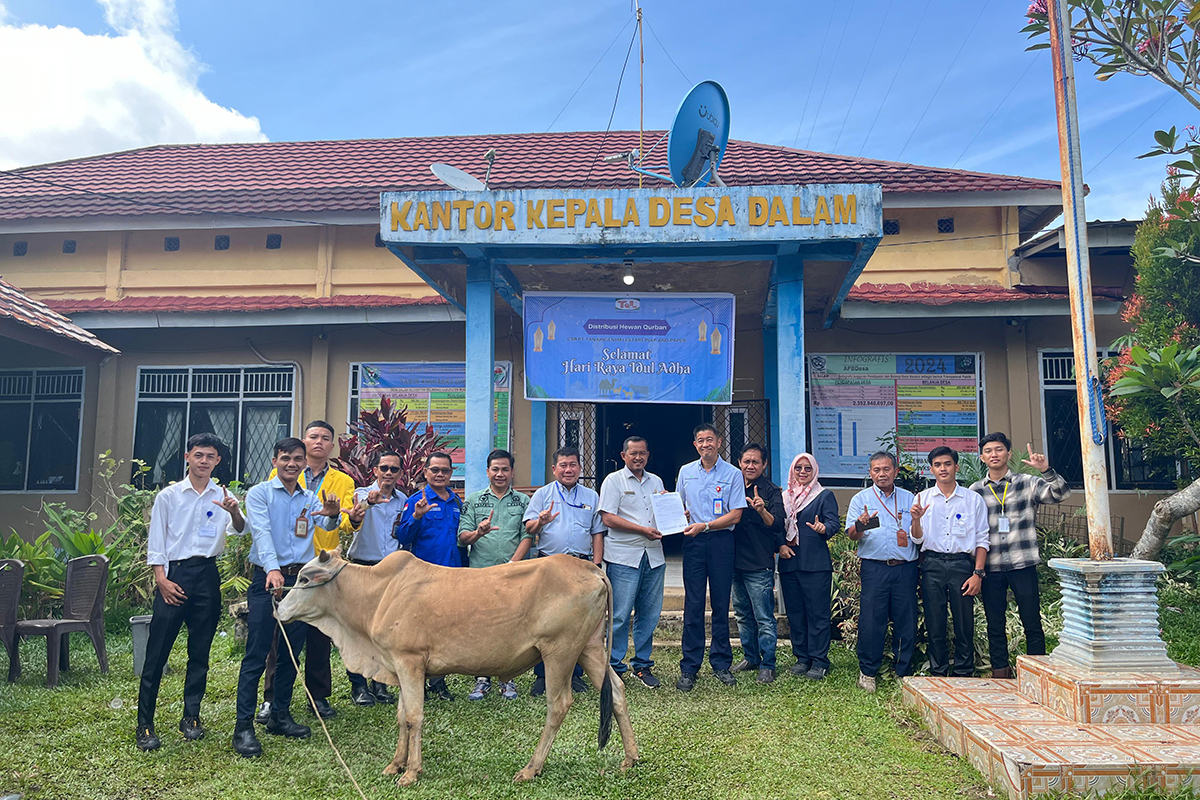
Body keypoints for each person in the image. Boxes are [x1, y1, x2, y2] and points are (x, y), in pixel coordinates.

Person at [233, 437, 343, 757]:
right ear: (274, 460)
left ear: (305, 463)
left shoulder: (310, 497)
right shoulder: (259, 494)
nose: (292, 464)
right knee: (257, 654)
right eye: (286, 458)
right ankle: (243, 728)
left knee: (291, 653)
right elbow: (262, 532)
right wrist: (272, 568)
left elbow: (326, 521)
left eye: (298, 459)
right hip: (268, 578)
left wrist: (334, 515)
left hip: (300, 581)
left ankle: (280, 715)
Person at [135, 433, 245, 751]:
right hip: (174, 575)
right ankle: (145, 725)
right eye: (198, 455)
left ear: (217, 461)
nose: (204, 461)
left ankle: (191, 717)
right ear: (187, 457)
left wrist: (234, 510)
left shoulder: (223, 496)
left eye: (210, 456)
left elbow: (238, 529)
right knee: (156, 654)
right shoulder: (169, 496)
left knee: (200, 653)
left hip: (207, 575)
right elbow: (157, 541)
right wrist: (162, 580)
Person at [257, 420, 356, 723]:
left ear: (332, 445)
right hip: (287, 566)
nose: (319, 442)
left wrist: (343, 515)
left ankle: (319, 696)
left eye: (326, 438)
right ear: (303, 442)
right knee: (279, 635)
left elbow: (345, 520)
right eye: (313, 437)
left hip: (322, 566)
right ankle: (271, 699)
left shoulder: (343, 480)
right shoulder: (278, 475)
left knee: (319, 632)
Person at [970, 433, 1069, 679]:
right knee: (995, 623)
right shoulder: (975, 491)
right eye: (989, 451)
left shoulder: (1027, 483)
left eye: (999, 449)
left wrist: (1046, 470)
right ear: (982, 457)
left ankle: (1036, 673)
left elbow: (1061, 494)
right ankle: (1000, 672)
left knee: (1031, 620)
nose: (994, 454)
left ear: (1008, 454)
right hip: (991, 567)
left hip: (1022, 562)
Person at [523, 446, 604, 696]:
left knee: (577, 625)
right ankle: (542, 677)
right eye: (563, 465)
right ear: (554, 469)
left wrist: (597, 566)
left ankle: (575, 676)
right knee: (544, 623)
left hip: (580, 568)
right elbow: (529, 529)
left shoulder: (591, 496)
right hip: (549, 568)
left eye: (573, 465)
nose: (568, 470)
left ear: (580, 468)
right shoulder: (542, 495)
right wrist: (541, 521)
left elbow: (597, 532)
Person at [675, 424, 746, 692]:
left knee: (720, 603)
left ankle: (721, 663)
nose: (705, 444)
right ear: (695, 445)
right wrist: (673, 511)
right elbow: (679, 505)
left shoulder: (733, 474)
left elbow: (736, 514)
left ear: (719, 442)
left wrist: (705, 525)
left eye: (710, 440)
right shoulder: (686, 472)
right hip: (693, 543)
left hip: (721, 542)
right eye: (700, 441)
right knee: (692, 604)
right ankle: (689, 667)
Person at [458, 448, 533, 701]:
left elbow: (528, 536)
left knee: (511, 627)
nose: (500, 474)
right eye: (495, 469)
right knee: (481, 627)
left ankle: (508, 679)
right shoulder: (474, 500)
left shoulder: (523, 501)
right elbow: (462, 537)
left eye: (505, 469)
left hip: (513, 575)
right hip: (481, 576)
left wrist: (513, 564)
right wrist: (479, 532)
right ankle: (481, 679)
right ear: (488, 471)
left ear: (512, 472)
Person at [910, 447, 989, 678]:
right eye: (937, 464)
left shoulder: (972, 499)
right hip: (932, 564)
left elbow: (983, 537)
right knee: (935, 622)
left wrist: (978, 573)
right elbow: (917, 537)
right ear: (931, 469)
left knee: (964, 622)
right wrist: (916, 520)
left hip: (961, 566)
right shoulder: (922, 498)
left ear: (956, 466)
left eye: (947, 464)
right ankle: (939, 671)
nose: (942, 468)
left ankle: (964, 671)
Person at [846, 451, 918, 694]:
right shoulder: (861, 499)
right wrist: (861, 524)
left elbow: (919, 533)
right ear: (870, 473)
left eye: (886, 469)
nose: (881, 474)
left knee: (905, 619)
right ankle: (868, 671)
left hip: (905, 568)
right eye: (876, 470)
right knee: (872, 620)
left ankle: (902, 670)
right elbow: (852, 535)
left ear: (895, 471)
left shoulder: (910, 499)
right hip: (875, 568)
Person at [597, 436, 666, 689]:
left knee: (649, 614)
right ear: (623, 455)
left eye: (643, 453)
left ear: (648, 455)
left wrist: (676, 513)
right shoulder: (613, 481)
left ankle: (642, 665)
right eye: (633, 453)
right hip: (624, 557)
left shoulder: (656, 481)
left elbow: (660, 515)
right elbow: (608, 519)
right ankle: (613, 667)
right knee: (619, 615)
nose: (638, 457)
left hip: (654, 556)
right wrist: (641, 530)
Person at [395, 450, 464, 700]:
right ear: (425, 472)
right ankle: (418, 683)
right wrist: (416, 516)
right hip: (424, 579)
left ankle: (438, 681)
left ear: (451, 474)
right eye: (435, 470)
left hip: (452, 577)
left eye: (445, 470)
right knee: (421, 632)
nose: (440, 475)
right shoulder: (416, 500)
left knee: (444, 631)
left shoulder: (456, 502)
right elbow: (403, 537)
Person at [343, 450, 406, 706]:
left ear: (400, 474)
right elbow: (354, 516)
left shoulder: (404, 500)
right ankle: (358, 686)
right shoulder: (360, 494)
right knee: (358, 631)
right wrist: (369, 503)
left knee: (384, 631)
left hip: (390, 571)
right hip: (362, 567)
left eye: (394, 469)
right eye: (384, 468)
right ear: (375, 470)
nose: (388, 473)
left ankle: (380, 685)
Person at [778, 452, 840, 681]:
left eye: (807, 469)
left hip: (815, 565)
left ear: (814, 471)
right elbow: (777, 527)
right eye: (798, 468)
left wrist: (824, 528)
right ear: (792, 471)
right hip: (790, 562)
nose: (802, 473)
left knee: (818, 615)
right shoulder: (785, 497)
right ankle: (802, 657)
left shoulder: (823, 496)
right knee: (796, 614)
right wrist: (779, 545)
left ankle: (820, 660)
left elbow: (834, 523)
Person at [729, 443, 785, 684]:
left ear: (764, 465)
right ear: (739, 463)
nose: (750, 465)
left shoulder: (771, 491)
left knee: (763, 616)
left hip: (759, 562)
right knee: (742, 613)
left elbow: (778, 524)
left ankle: (768, 664)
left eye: (755, 462)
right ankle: (750, 656)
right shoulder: (732, 485)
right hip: (732, 560)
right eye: (746, 461)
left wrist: (762, 510)